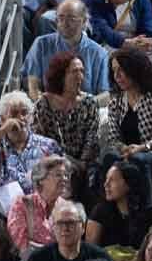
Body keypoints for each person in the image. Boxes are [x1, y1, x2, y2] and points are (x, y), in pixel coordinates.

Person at [0, 91, 61, 216]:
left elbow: (61, 180)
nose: (20, 118)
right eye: (14, 114)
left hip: (38, 211)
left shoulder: (48, 146)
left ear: (31, 117)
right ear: (3, 119)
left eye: (25, 113)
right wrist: (3, 130)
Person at [103, 47, 152, 189]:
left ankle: (147, 208)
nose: (117, 76)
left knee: (138, 159)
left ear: (135, 69)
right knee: (109, 158)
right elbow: (113, 139)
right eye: (114, 71)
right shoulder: (115, 102)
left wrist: (143, 148)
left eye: (121, 70)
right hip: (128, 157)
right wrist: (124, 149)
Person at [24, 0, 113, 102]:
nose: (65, 23)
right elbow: (32, 84)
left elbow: (105, 94)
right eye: (60, 18)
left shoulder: (99, 53)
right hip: (49, 109)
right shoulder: (41, 44)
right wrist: (45, 104)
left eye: (71, 19)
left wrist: (84, 105)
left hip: (83, 112)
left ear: (84, 21)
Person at [31, 56, 100, 190]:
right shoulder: (43, 103)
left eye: (82, 71)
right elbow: (38, 139)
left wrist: (81, 163)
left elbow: (92, 138)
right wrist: (63, 161)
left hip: (83, 164)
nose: (80, 76)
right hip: (52, 161)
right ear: (61, 75)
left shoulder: (89, 102)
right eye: (74, 72)